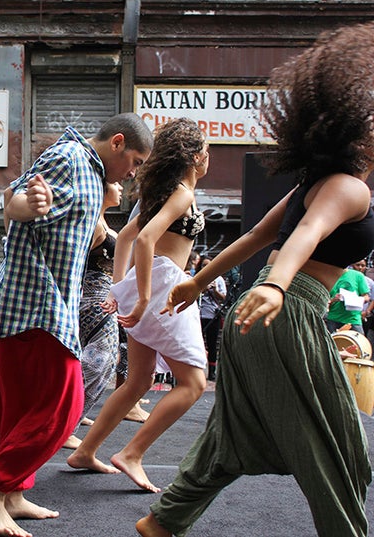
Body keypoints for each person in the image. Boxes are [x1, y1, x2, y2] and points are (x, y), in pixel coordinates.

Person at [137, 22, 374, 537]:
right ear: (354, 133)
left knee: (232, 437)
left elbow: (252, 240)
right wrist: (276, 285)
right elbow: (303, 236)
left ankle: (163, 521)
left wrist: (198, 284)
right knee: (339, 450)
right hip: (284, 309)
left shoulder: (314, 184)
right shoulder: (350, 188)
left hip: (261, 312)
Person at [0, 112, 152, 537]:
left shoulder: (88, 171)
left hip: (34, 308)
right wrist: (27, 207)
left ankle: (11, 493)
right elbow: (13, 197)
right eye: (136, 161)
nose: (134, 172)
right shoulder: (70, 157)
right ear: (118, 143)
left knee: (19, 409)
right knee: (62, 406)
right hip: (33, 307)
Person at [67, 117, 210, 493]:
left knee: (138, 381)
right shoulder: (182, 193)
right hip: (164, 286)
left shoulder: (161, 192)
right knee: (194, 381)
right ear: (196, 157)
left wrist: (122, 287)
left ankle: (86, 451)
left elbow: (127, 235)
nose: (208, 158)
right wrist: (142, 294)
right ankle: (132, 453)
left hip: (153, 282)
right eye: (206, 152)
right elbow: (143, 239)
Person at [64, 181, 125, 449]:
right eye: (115, 185)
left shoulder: (102, 222)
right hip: (96, 300)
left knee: (102, 360)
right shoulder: (94, 225)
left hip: (101, 298)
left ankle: (69, 418)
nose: (121, 188)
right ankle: (64, 426)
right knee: (98, 362)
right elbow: (73, 261)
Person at [196, 255, 227, 380]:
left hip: (213, 316)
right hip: (198, 315)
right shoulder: (196, 278)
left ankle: (212, 372)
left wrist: (214, 290)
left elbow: (223, 298)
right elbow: (192, 294)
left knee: (212, 344)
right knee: (197, 344)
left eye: (209, 265)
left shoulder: (219, 279)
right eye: (204, 265)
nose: (206, 267)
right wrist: (203, 288)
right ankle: (197, 372)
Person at [325, 264, 370, 334]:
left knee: (358, 343)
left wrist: (354, 299)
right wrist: (334, 299)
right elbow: (325, 302)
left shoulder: (358, 275)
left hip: (353, 319)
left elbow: (366, 297)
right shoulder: (329, 276)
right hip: (333, 319)